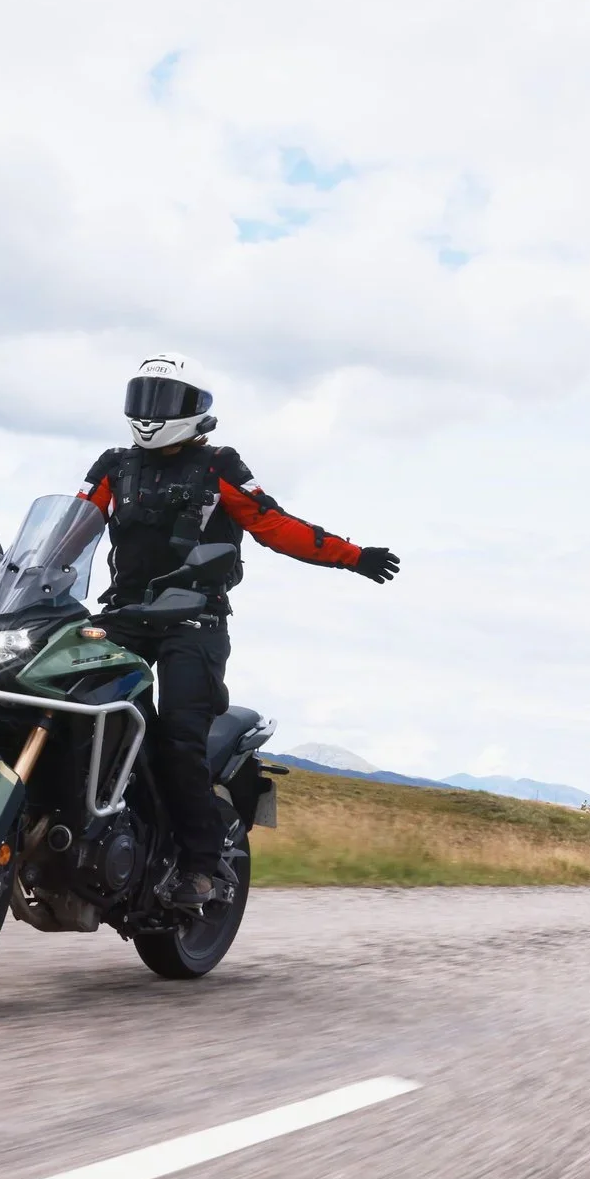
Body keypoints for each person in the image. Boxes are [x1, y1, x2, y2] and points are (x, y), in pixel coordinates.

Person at [78, 355, 397, 906]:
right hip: (122, 617)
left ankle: (201, 865)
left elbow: (272, 524)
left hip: (193, 619)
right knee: (74, 710)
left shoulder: (218, 465)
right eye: (144, 397)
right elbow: (75, 525)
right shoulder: (114, 466)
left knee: (179, 735)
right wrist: (26, 575)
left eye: (166, 400)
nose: (151, 413)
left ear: (195, 409)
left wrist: (353, 556)